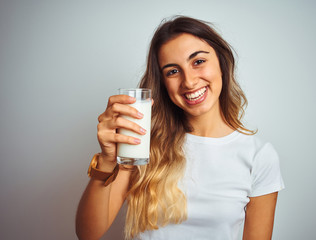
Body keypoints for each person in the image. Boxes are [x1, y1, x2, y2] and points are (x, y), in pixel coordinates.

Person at [76, 16, 285, 240]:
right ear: (163, 84)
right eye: (173, 71)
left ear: (222, 64)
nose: (189, 82)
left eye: (198, 62)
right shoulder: (142, 141)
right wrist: (107, 160)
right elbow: (88, 234)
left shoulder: (259, 156)